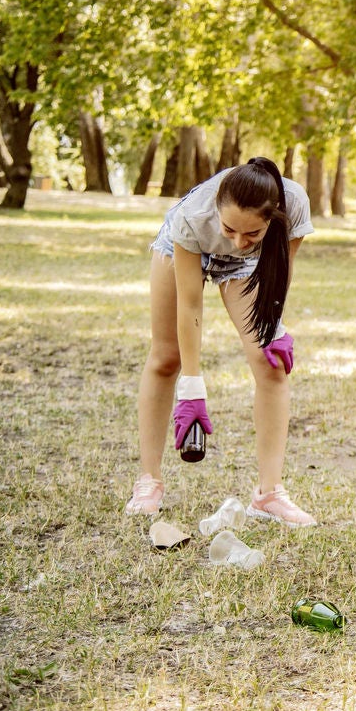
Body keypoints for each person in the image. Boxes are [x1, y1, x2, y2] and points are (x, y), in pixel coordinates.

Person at [125, 156, 317, 527]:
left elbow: (280, 270)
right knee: (167, 358)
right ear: (218, 210)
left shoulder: (293, 204)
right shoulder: (193, 216)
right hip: (183, 249)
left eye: (252, 234)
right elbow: (190, 304)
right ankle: (148, 481)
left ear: (272, 218)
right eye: (230, 229)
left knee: (269, 363)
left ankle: (269, 494)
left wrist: (273, 325)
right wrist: (193, 387)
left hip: (248, 269)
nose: (238, 241)